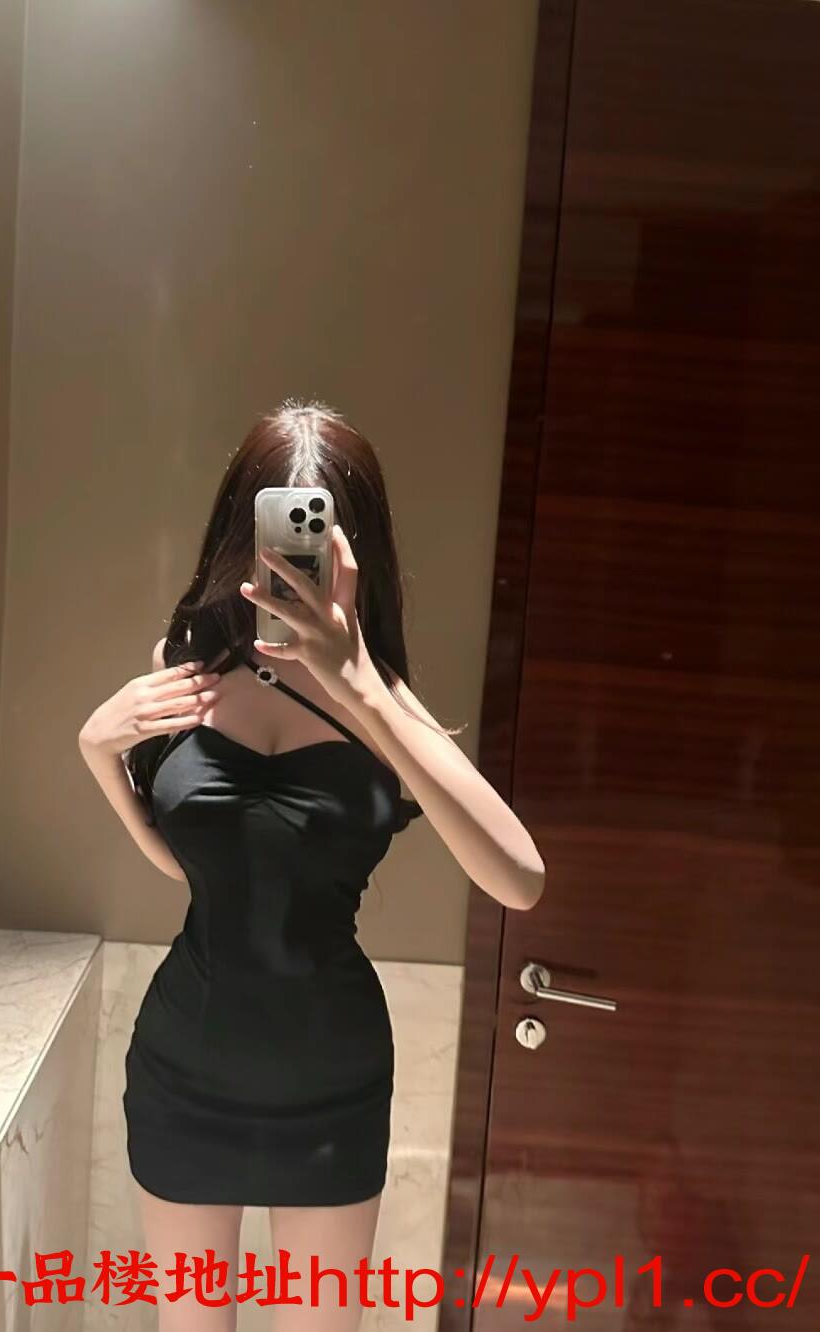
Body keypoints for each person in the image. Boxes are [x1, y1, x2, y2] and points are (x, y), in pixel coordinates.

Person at [78, 399, 545, 1330]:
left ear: (352, 547)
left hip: (332, 1084)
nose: (290, 559)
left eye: (316, 537)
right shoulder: (185, 665)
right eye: (274, 531)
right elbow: (194, 869)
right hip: (184, 1068)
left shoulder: (384, 699)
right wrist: (100, 755)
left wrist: (360, 685)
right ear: (238, 533)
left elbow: (519, 879)